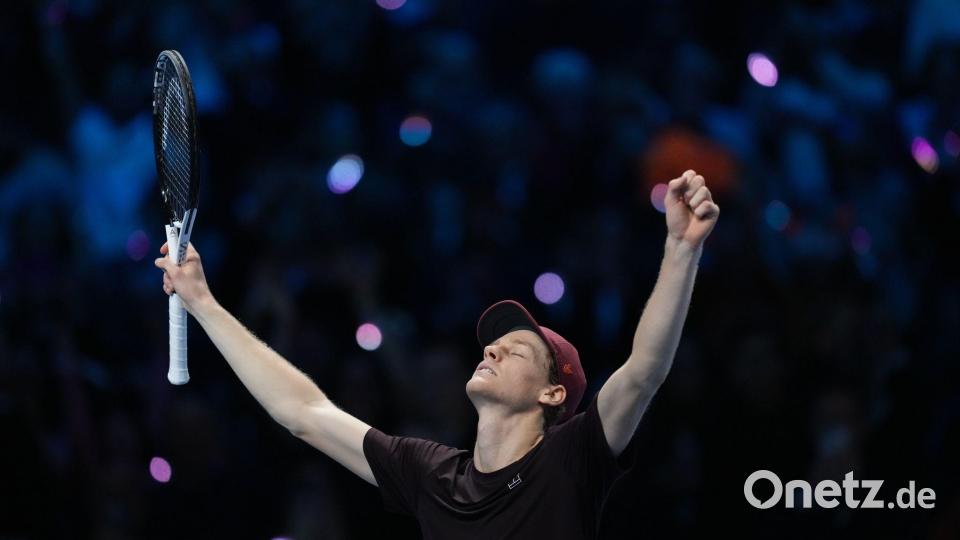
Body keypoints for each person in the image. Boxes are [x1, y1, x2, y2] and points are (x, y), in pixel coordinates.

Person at [154, 169, 720, 539]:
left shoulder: (571, 459)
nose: (493, 349)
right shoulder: (430, 475)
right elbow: (304, 413)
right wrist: (204, 304)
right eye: (495, 343)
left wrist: (680, 249)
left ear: (553, 394)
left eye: (517, 349)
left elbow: (643, 371)